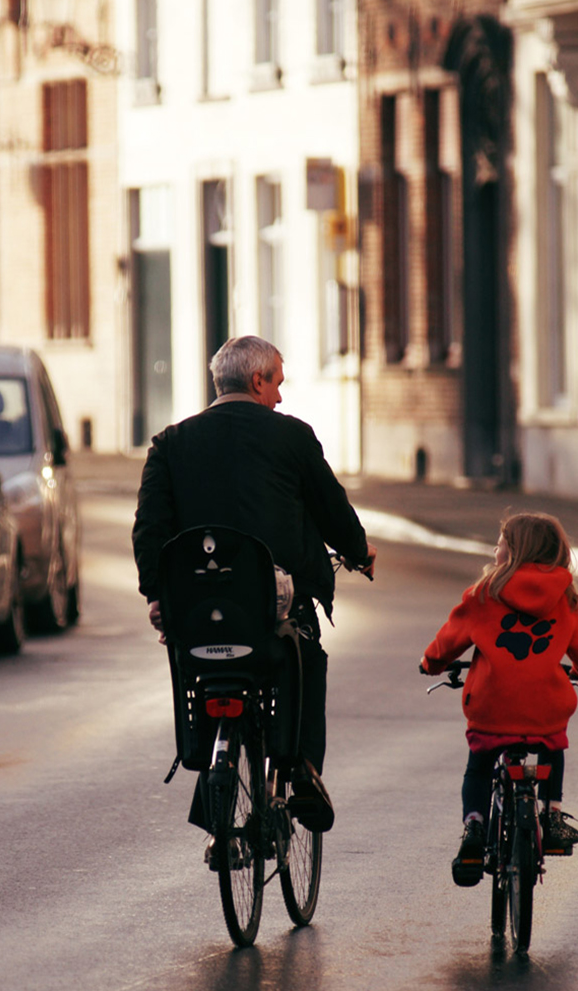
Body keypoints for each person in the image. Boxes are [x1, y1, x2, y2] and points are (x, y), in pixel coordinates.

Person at [132, 335, 375, 844]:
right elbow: (333, 511)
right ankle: (304, 767)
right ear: (258, 380)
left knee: (201, 676)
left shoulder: (170, 444)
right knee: (306, 661)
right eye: (278, 384)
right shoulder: (291, 437)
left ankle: (212, 778)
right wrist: (358, 551)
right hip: (272, 608)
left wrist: (158, 595)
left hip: (197, 614)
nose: (280, 399)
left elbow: (150, 529)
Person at [419, 512, 578, 887]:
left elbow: (447, 642)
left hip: (492, 707)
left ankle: (474, 827)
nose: (495, 548)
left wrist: (431, 663)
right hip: (545, 709)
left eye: (500, 541)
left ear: (515, 550)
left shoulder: (483, 594)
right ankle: (551, 817)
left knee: (480, 762)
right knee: (552, 746)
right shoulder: (565, 599)